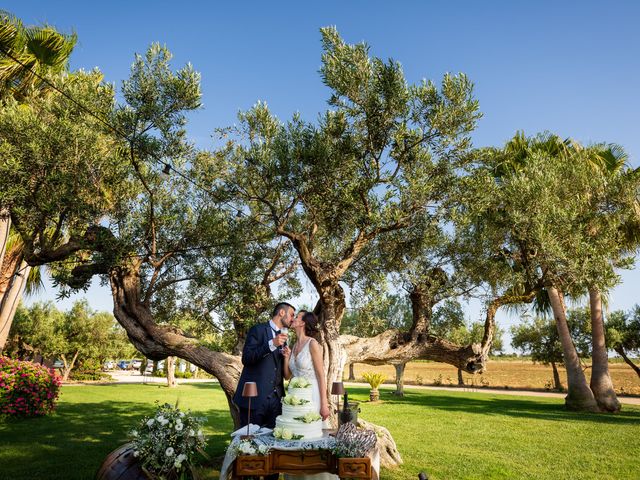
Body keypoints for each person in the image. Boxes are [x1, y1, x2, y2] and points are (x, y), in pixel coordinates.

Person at [283, 311, 336, 480]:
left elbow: (321, 375)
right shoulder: (293, 344)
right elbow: (287, 376)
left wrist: (324, 404)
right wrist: (286, 357)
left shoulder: (313, 344)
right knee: (296, 437)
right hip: (295, 397)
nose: (293, 318)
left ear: (303, 323)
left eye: (297, 317)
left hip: (312, 396)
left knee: (312, 438)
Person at [233, 302, 294, 429]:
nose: (292, 319)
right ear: (282, 313)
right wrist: (271, 344)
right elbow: (247, 358)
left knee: (273, 440)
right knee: (250, 442)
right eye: (291, 315)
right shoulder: (257, 330)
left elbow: (277, 369)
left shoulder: (284, 338)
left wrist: (286, 357)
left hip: (276, 400)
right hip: (255, 398)